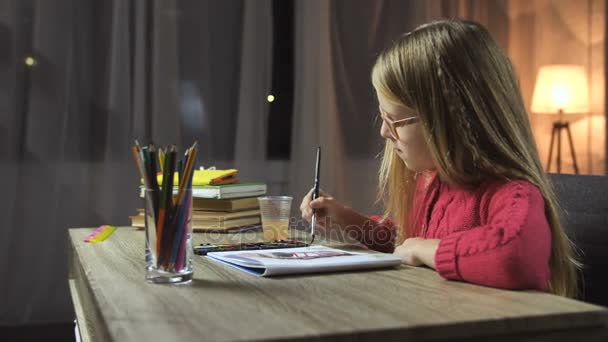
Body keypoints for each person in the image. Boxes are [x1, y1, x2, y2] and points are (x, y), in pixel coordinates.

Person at [299, 19, 579, 297]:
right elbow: (403, 243)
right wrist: (347, 219)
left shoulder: (511, 193)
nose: (384, 132)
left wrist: (425, 248)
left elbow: (516, 255)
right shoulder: (431, 184)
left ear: (452, 121)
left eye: (396, 120)